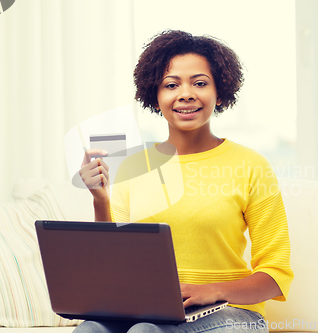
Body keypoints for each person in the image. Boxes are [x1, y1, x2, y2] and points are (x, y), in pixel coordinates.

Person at [76, 30, 293, 333]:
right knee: (91, 330)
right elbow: (113, 264)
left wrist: (213, 291)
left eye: (200, 83)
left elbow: (275, 275)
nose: (186, 93)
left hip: (232, 313)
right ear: (156, 95)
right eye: (171, 84)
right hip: (150, 310)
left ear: (220, 91)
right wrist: (100, 199)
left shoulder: (251, 165)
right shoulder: (134, 167)